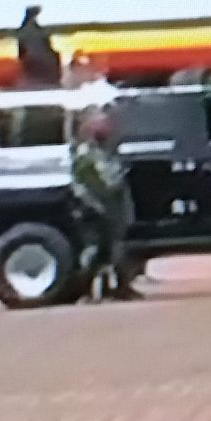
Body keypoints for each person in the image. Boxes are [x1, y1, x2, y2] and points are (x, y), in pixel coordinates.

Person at [69, 110, 138, 302]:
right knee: (95, 251)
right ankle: (87, 291)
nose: (109, 130)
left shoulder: (105, 152)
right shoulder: (87, 154)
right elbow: (103, 183)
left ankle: (117, 288)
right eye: (103, 126)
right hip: (95, 209)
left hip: (111, 209)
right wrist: (119, 175)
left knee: (115, 250)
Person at [16, 4, 62, 87]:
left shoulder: (25, 28)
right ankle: (55, 80)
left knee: (55, 56)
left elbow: (21, 48)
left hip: (33, 54)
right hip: (36, 55)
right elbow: (46, 43)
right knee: (55, 57)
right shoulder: (32, 28)